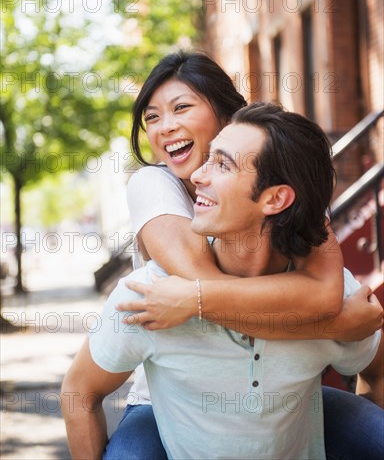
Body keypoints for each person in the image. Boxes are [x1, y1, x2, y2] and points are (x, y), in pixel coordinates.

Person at [62, 103, 382, 459]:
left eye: (223, 164)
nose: (197, 175)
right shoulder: (150, 296)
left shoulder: (340, 295)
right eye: (209, 158)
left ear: (275, 198)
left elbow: (378, 371)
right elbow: (79, 392)